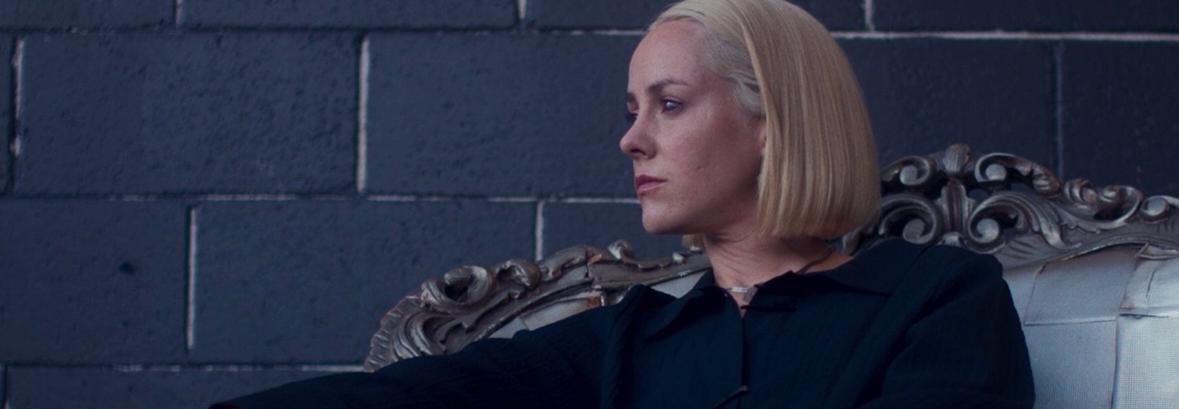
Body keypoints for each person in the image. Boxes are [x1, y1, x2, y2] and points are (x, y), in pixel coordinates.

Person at [213, 0, 1035, 407]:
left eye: (669, 104)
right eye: (632, 110)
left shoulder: (937, 297)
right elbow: (416, 398)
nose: (631, 140)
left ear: (771, 123)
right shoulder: (630, 336)